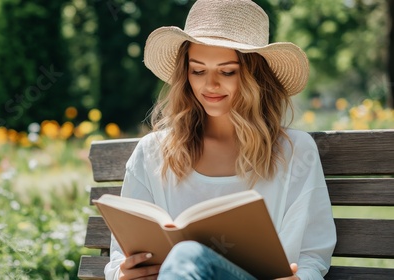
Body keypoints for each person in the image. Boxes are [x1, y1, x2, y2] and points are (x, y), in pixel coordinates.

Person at [104, 0, 337, 279]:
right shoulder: (152, 153)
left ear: (254, 76)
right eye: (198, 70)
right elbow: (120, 256)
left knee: (187, 254)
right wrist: (124, 273)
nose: (210, 85)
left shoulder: (294, 152)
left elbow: (313, 255)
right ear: (184, 74)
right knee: (184, 259)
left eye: (227, 71)